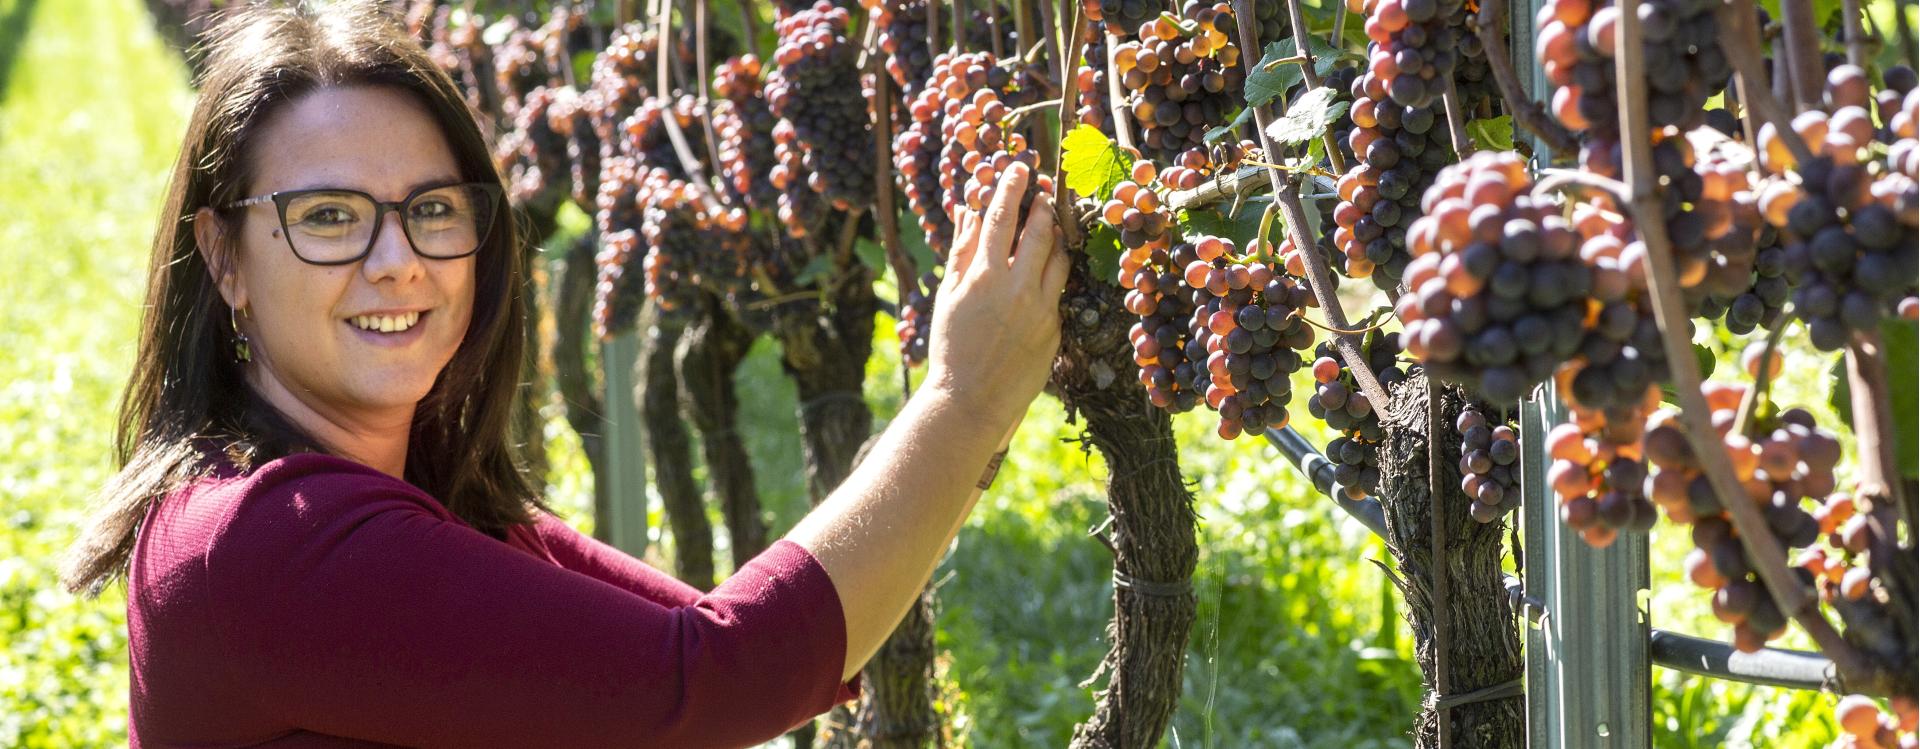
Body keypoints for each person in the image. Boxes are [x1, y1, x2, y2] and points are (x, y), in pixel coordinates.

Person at [56, 3, 1066, 747]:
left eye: (432, 209)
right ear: (224, 256)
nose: (396, 260)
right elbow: (720, 674)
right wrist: (963, 399)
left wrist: (973, 403)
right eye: (328, 217)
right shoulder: (272, 541)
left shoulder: (410, 496)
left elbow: (710, 646)